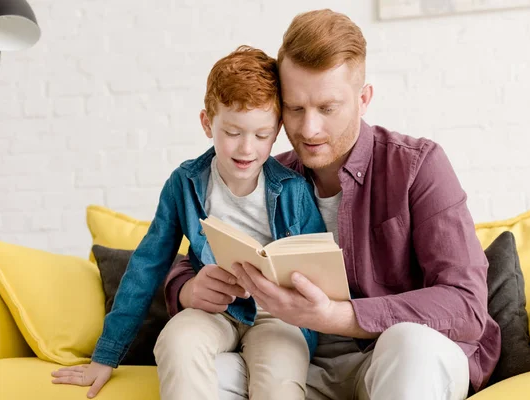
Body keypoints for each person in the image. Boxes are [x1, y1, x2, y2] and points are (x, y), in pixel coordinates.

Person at [162, 9, 501, 400]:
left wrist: (338, 316)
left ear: (363, 99)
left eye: (327, 108)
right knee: (207, 373)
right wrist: (188, 287)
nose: (309, 130)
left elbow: (467, 305)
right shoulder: (271, 178)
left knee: (413, 345)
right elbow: (192, 258)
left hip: (390, 359)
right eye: (295, 108)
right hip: (301, 361)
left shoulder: (417, 165)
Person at [51, 46, 327, 400]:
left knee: (279, 379)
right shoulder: (185, 184)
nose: (246, 149)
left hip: (277, 317)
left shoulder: (293, 190)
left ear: (276, 133)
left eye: (261, 135)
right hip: (215, 311)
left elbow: (320, 265)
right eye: (232, 132)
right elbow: (147, 264)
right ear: (206, 123)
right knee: (176, 341)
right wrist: (106, 355)